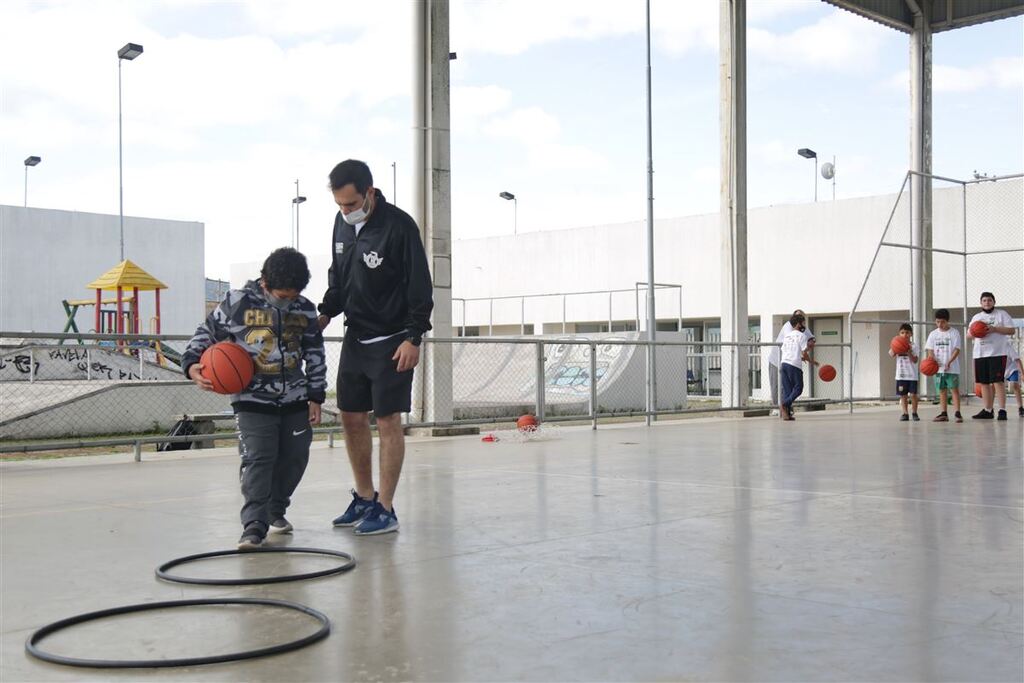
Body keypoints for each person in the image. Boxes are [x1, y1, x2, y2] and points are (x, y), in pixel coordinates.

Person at [318, 159, 433, 536]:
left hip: (393, 340)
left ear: (369, 192)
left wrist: (414, 336)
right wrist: (325, 313)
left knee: (387, 421)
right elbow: (338, 277)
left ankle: (385, 508)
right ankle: (365, 497)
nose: (345, 211)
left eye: (351, 204)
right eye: (339, 205)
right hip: (356, 336)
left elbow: (419, 285)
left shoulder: (399, 226)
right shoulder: (341, 224)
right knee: (351, 417)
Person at [182, 248, 326, 549]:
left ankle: (276, 509)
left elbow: (315, 352)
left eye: (293, 296)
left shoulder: (305, 309)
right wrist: (191, 363)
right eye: (282, 296)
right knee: (258, 458)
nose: (287, 301)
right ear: (265, 282)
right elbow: (206, 332)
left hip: (295, 397)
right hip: (251, 398)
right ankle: (254, 525)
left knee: (295, 456)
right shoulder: (237, 302)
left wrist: (316, 395)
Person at [968, 291, 1015, 420]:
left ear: (994, 302)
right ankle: (988, 410)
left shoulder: (1002, 314)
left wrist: (994, 329)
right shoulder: (977, 317)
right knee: (984, 383)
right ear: (980, 303)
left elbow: (1011, 330)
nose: (987, 302)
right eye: (984, 300)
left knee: (998, 381)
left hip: (997, 353)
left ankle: (1002, 410)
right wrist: (977, 331)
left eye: (989, 300)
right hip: (980, 353)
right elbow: (968, 335)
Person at [768, 309, 815, 406]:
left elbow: (811, 338)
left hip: (789, 362)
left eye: (802, 317)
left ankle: (786, 408)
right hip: (776, 360)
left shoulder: (803, 328)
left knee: (789, 388)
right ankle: (778, 408)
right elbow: (793, 341)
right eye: (798, 317)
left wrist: (811, 341)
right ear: (794, 319)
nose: (800, 319)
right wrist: (806, 357)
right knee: (777, 387)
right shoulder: (788, 326)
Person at [924, 309, 962, 423]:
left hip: (952, 368)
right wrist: (933, 361)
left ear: (947, 321)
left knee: (954, 389)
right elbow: (930, 350)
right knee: (941, 390)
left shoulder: (954, 333)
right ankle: (943, 413)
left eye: (943, 322)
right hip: (938, 368)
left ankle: (957, 413)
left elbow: (957, 349)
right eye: (938, 322)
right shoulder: (933, 334)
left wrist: (949, 361)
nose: (940, 324)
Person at [779, 314, 815, 421]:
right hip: (794, 365)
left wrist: (800, 356)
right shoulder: (801, 336)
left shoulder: (787, 336)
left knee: (788, 390)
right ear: (798, 324)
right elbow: (804, 353)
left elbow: (785, 350)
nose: (804, 325)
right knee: (798, 388)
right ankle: (784, 404)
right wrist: (811, 361)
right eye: (803, 323)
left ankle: (786, 414)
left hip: (784, 364)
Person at [889, 323, 919, 421]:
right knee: (903, 395)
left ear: (911, 334)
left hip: (912, 375)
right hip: (901, 375)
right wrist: (895, 348)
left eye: (907, 332)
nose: (904, 334)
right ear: (899, 334)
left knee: (913, 395)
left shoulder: (914, 346)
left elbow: (915, 360)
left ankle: (914, 412)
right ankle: (905, 413)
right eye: (902, 332)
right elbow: (891, 354)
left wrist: (908, 351)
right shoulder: (897, 344)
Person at [1005, 343, 1023, 418]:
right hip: (1000, 370)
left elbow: (1018, 360)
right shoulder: (992, 347)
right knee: (994, 385)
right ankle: (990, 409)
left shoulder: (1007, 347)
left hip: (1012, 369)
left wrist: (1022, 374)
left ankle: (1020, 407)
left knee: (1014, 384)